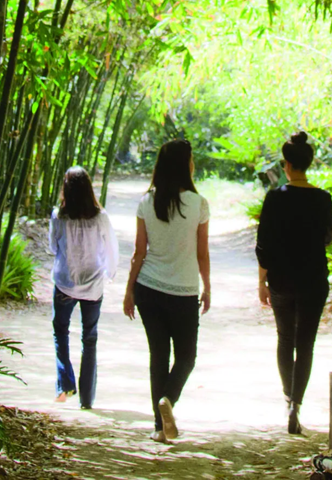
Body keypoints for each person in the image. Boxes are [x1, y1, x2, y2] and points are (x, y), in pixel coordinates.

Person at [123, 139, 211, 443]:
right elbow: (202, 253)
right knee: (186, 357)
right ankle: (169, 400)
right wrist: (208, 286)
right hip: (184, 291)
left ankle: (160, 428)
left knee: (158, 356)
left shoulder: (147, 202)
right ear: (186, 165)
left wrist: (129, 291)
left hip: (148, 288)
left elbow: (139, 252)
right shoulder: (198, 204)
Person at [255, 131, 332, 434]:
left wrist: (262, 282)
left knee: (285, 338)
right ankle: (296, 404)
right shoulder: (323, 198)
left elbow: (263, 245)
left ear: (286, 164)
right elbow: (327, 237)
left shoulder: (275, 197)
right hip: (313, 278)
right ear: (309, 163)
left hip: (282, 278)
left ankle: (288, 398)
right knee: (306, 343)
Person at [49, 166, 119, 410]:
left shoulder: (59, 216)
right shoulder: (101, 217)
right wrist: (111, 273)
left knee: (61, 333)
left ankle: (65, 384)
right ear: (90, 189)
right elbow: (111, 248)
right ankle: (87, 399)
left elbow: (52, 248)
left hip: (65, 283)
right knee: (89, 338)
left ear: (65, 189)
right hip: (93, 286)